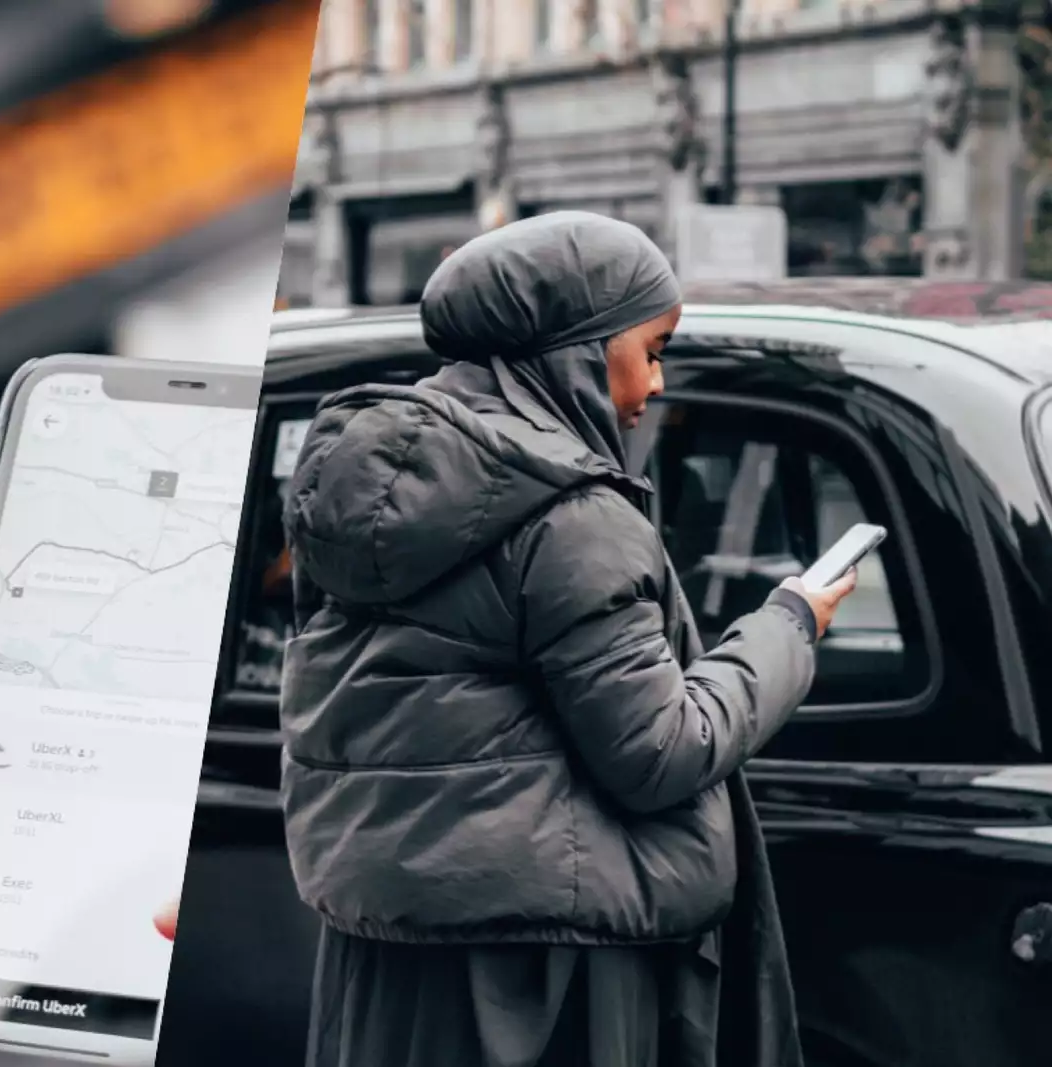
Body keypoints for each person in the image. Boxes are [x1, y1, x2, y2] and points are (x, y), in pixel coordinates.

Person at [277, 212, 858, 1067]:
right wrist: (789, 625)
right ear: (581, 348)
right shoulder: (572, 517)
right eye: (652, 350)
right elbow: (663, 750)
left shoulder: (347, 492)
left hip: (387, 955)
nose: (656, 384)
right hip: (543, 974)